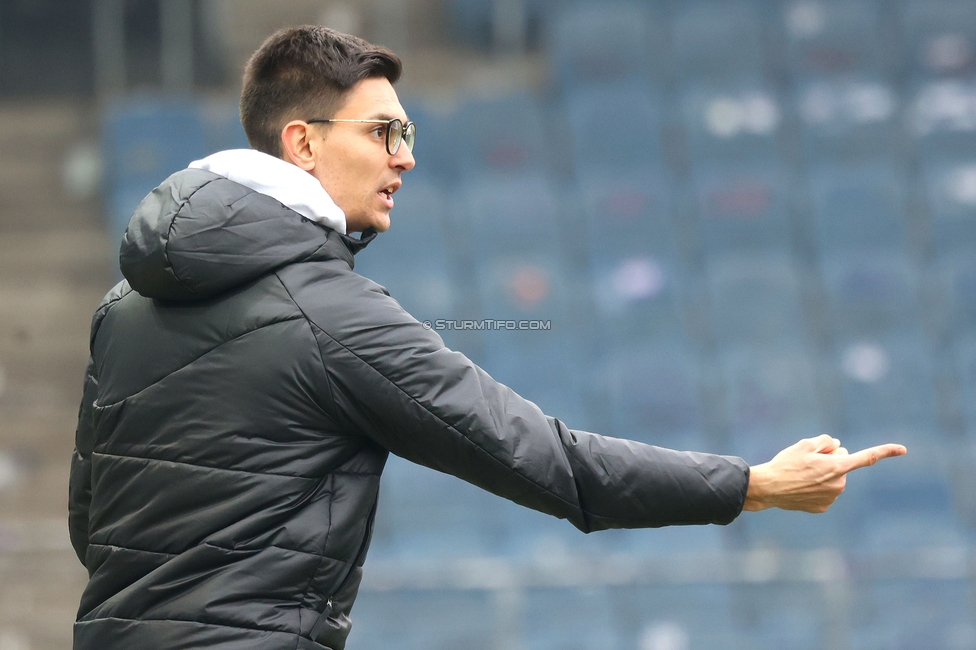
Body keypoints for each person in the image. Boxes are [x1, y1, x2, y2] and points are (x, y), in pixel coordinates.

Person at [68, 25, 906, 650]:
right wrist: (754, 484)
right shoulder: (332, 315)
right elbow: (551, 462)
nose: (406, 159)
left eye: (410, 135)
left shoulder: (122, 306)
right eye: (384, 133)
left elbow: (91, 523)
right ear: (304, 144)